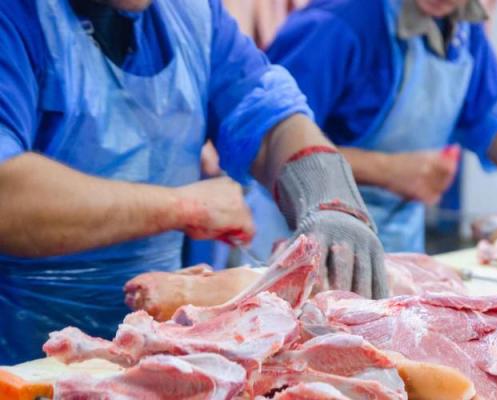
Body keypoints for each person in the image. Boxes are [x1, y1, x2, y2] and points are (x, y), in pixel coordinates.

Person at [0, 0, 385, 364]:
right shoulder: (15, 18)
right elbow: (8, 196)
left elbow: (268, 119)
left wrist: (329, 196)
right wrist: (184, 207)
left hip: (152, 347)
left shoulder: (189, 15)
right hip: (21, 353)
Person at [267, 0, 497, 253]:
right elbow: (274, 137)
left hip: (397, 239)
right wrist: (387, 170)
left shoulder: (463, 26)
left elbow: (486, 110)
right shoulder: (338, 23)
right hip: (302, 232)